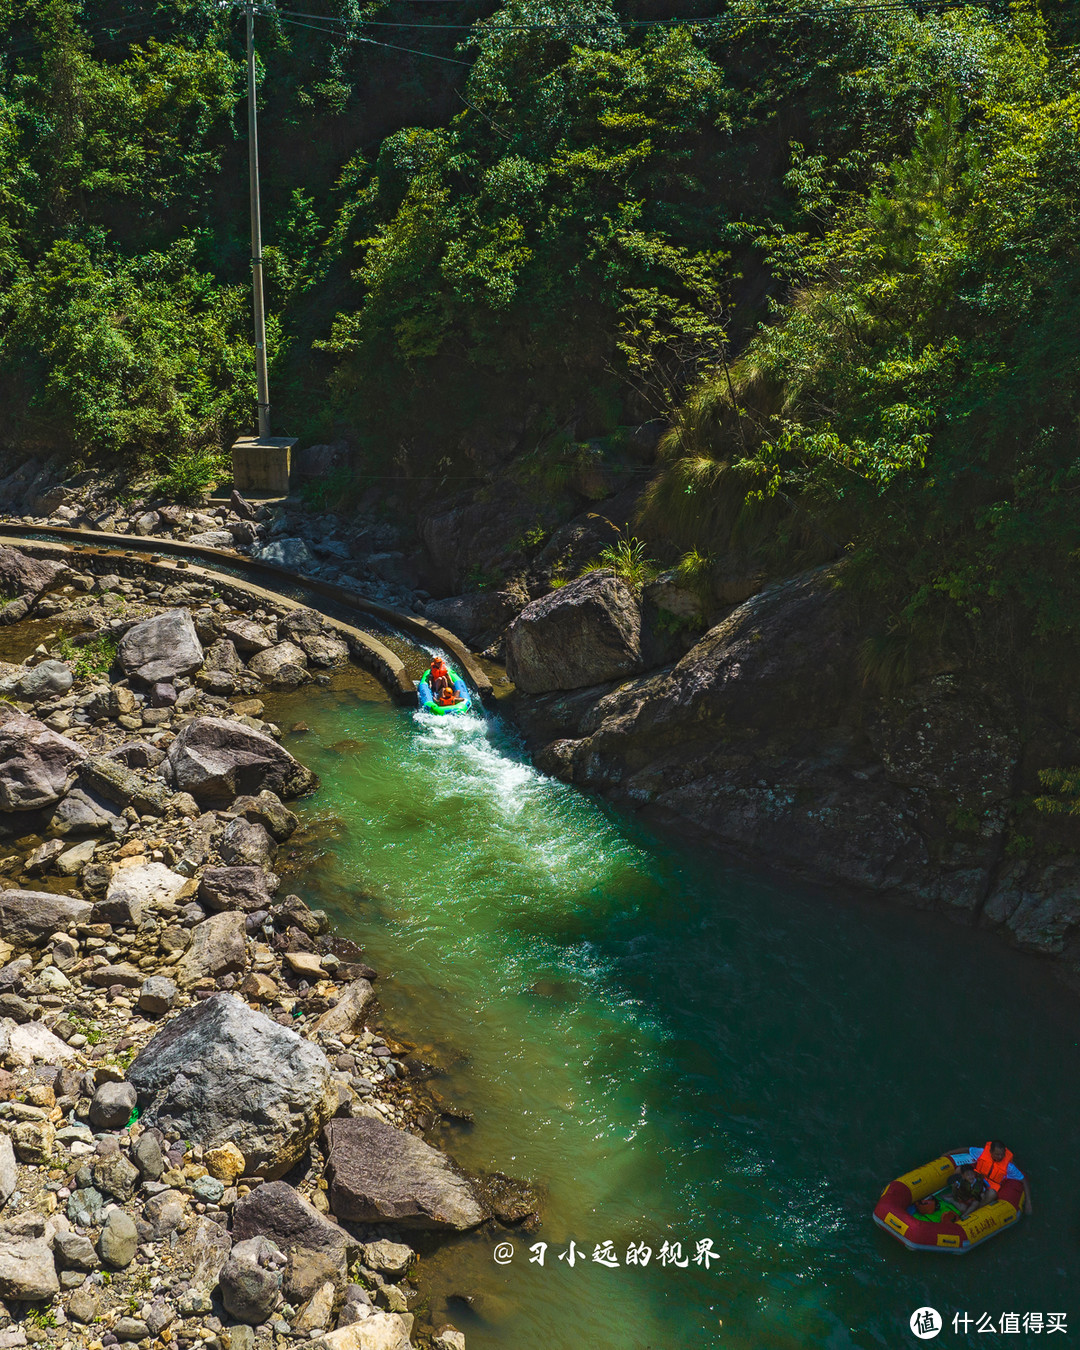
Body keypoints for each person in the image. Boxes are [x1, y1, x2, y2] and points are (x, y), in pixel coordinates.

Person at [957, 1141, 1033, 1216]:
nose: (1000, 1157)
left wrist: (1028, 1202)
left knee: (991, 1194)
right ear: (991, 1151)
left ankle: (975, 1211)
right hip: (977, 1180)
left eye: (1002, 1155)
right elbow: (967, 1149)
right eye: (997, 1154)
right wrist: (946, 1155)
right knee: (961, 1170)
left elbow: (1023, 1180)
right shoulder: (982, 1152)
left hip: (989, 1187)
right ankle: (957, 1193)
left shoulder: (1009, 1167)